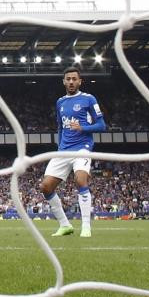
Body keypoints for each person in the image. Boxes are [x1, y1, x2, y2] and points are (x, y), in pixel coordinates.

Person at [41, 67, 105, 238]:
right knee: (45, 186)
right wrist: (60, 146)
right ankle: (65, 225)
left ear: (79, 81)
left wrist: (82, 128)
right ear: (64, 81)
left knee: (80, 179)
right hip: (64, 150)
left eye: (74, 79)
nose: (71, 81)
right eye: (68, 79)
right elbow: (60, 127)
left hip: (82, 148)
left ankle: (86, 227)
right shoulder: (60, 102)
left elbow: (102, 125)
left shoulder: (88, 99)